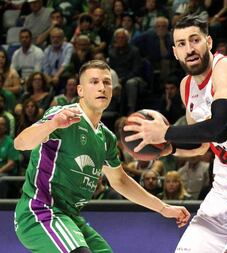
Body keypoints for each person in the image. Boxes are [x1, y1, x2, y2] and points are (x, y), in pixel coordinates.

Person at [124, 14, 227, 253]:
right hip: (221, 194)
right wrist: (165, 148)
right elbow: (201, 143)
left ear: (208, 42)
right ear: (175, 52)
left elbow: (219, 129)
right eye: (182, 44)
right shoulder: (186, 86)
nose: (189, 49)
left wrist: (166, 133)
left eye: (195, 40)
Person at [14, 60, 190, 253]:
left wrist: (163, 208)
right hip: (39, 211)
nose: (101, 88)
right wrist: (52, 125)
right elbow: (21, 143)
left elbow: (120, 181)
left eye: (106, 82)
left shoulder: (106, 137)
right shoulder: (62, 115)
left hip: (70, 217)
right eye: (94, 82)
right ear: (80, 90)